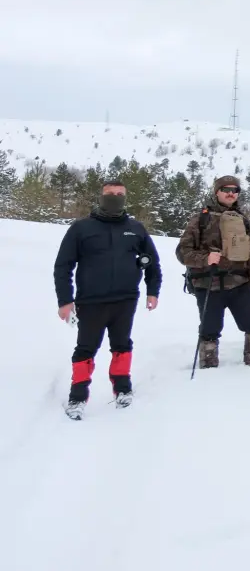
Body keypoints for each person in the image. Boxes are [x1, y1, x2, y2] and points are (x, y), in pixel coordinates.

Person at [53, 179, 161, 419]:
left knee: (122, 345)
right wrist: (65, 300)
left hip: (126, 299)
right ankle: (77, 396)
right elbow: (63, 266)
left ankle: (122, 389)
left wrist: (153, 291)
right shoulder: (81, 228)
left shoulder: (136, 228)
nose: (115, 197)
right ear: (101, 197)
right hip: (91, 301)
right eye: (110, 193)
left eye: (120, 194)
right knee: (86, 348)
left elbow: (152, 262)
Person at [176, 175, 250, 370]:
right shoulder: (201, 218)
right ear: (217, 192)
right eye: (226, 189)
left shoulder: (243, 220)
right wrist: (206, 258)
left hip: (239, 284)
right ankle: (209, 371)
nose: (231, 193)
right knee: (209, 331)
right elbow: (182, 252)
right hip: (209, 284)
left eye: (235, 190)